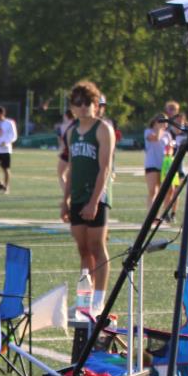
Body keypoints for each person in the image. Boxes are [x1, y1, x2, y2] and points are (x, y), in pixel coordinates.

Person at [60, 79, 115, 315]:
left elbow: (105, 168)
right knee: (83, 249)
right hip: (78, 195)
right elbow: (72, 168)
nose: (83, 107)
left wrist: (94, 201)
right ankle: (84, 300)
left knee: (96, 246)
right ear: (72, 106)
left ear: (95, 104)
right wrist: (65, 200)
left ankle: (99, 300)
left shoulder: (102, 129)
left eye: (87, 102)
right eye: (78, 103)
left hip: (97, 196)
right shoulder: (71, 131)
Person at [144, 113, 173, 208]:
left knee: (167, 190)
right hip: (152, 164)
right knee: (153, 191)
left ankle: (165, 212)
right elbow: (156, 138)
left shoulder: (167, 134)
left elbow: (170, 149)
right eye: (164, 122)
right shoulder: (148, 132)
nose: (166, 124)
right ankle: (151, 214)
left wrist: (170, 151)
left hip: (164, 165)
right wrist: (159, 128)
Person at [0, 106, 18, 193]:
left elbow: (14, 136)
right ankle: (0, 184)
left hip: (5, 150)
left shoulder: (9, 123)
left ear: (2, 114)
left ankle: (6, 187)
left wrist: (7, 142)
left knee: (5, 169)